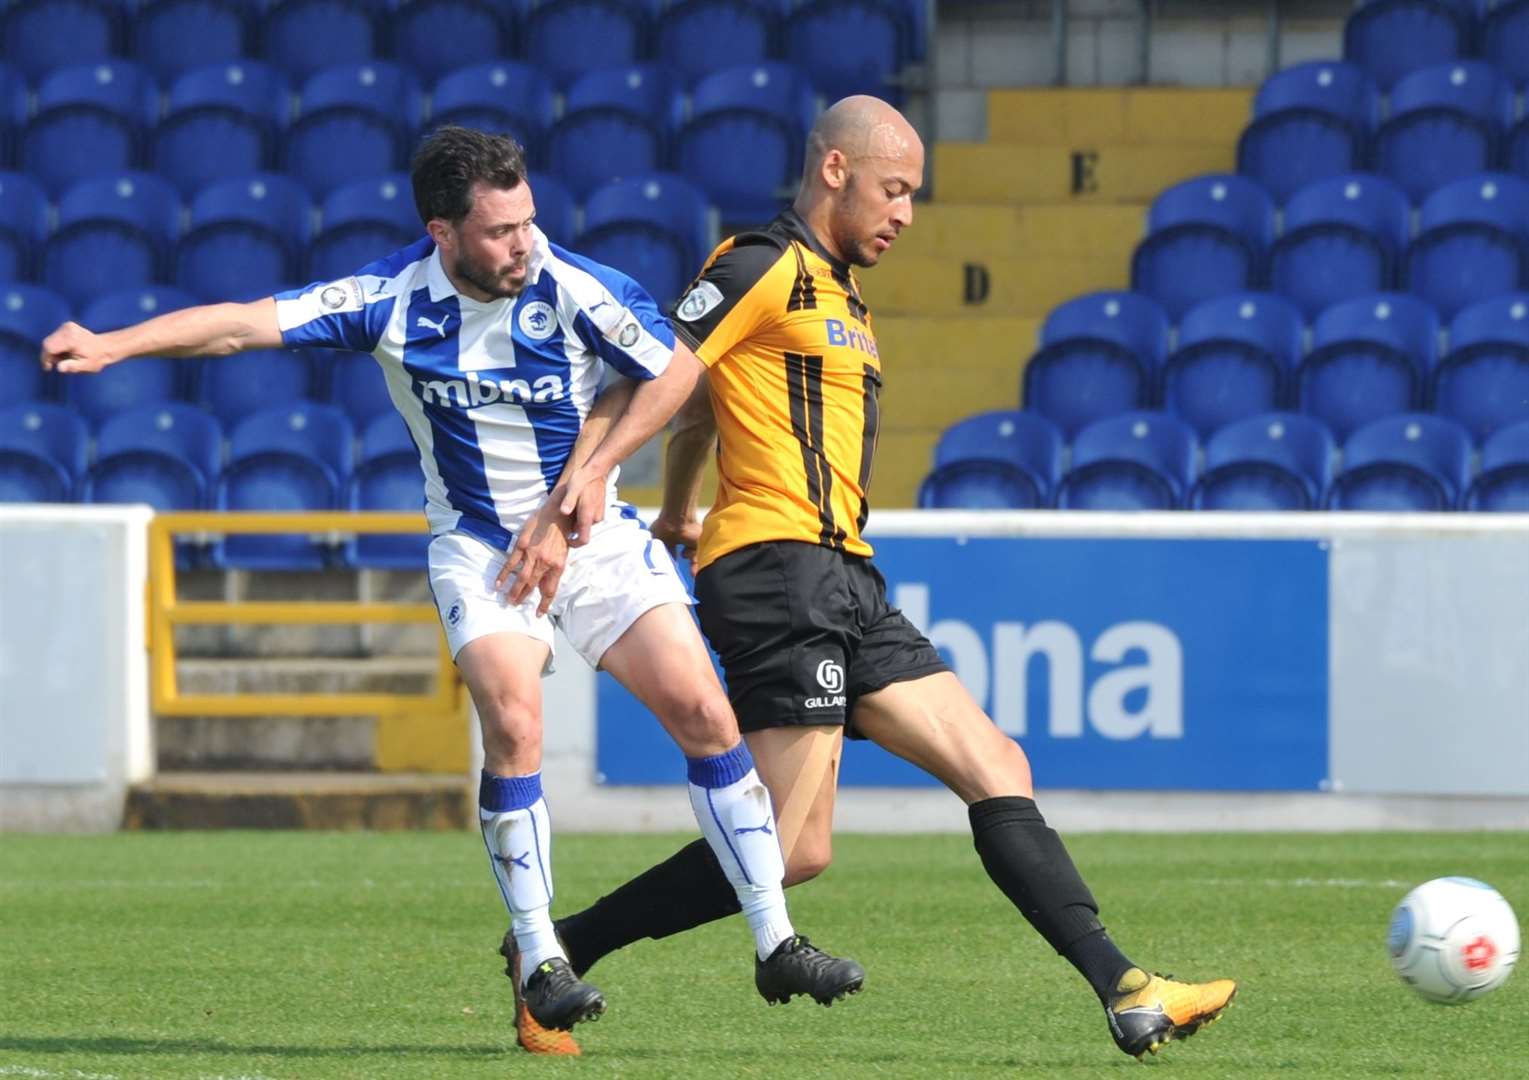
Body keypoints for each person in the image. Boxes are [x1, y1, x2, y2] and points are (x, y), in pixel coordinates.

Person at [40, 125, 864, 1057]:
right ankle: (542, 957)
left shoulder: (573, 284)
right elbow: (240, 322)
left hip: (591, 542)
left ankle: (773, 938)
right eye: (501, 231)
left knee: (705, 714)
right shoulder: (389, 300)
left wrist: (587, 478)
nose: (524, 244)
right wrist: (111, 345)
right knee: (513, 721)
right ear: (442, 233)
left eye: (528, 222)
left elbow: (675, 369)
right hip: (481, 550)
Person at [543, 97, 1239, 1061]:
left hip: (845, 575)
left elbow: (707, 395)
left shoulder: (841, 295)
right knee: (790, 852)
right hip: (775, 571)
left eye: (912, 194)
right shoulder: (758, 263)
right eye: (894, 189)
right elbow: (672, 368)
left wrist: (674, 507)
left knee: (996, 766)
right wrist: (597, 475)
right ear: (835, 170)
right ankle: (555, 949)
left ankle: (1126, 989)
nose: (905, 213)